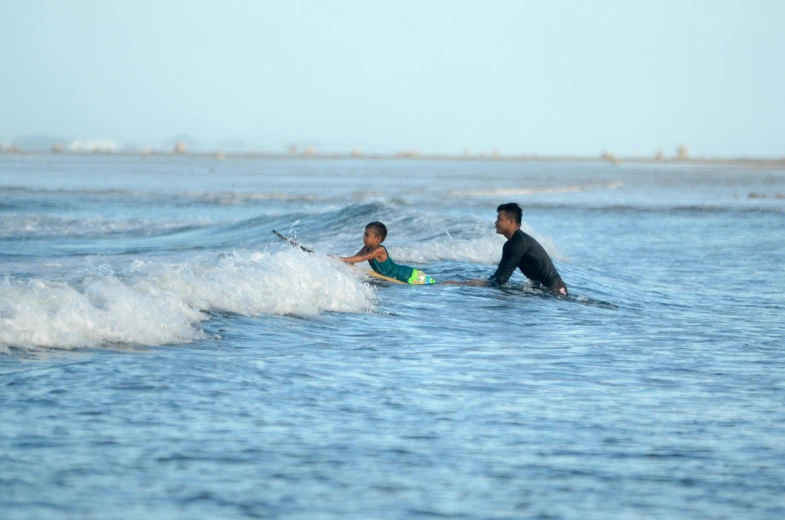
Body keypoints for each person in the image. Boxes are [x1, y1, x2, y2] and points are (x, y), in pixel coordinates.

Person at [469, 203, 568, 295]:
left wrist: (476, 284)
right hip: (545, 290)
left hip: (556, 291)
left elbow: (501, 280)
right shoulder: (510, 244)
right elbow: (498, 276)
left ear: (510, 221)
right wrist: (479, 282)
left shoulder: (518, 244)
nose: (495, 222)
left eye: (499, 219)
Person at [341, 222, 437, 284]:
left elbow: (362, 258)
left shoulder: (380, 250)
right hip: (400, 275)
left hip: (407, 275)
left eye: (367, 235)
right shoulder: (366, 248)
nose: (364, 237)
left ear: (377, 239)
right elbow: (355, 258)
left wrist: (341, 259)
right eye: (364, 234)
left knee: (435, 285)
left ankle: (451, 284)